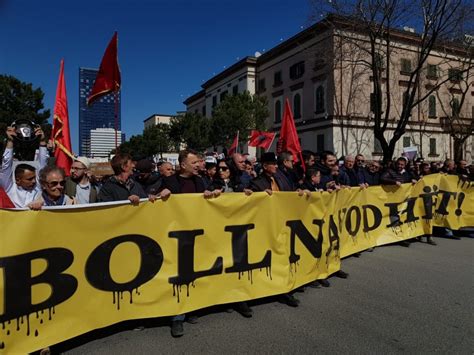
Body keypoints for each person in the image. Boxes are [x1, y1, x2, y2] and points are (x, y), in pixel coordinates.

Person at [157, 149, 221, 338]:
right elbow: (151, 197)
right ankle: (177, 317)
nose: (199, 165)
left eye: (199, 163)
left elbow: (205, 200)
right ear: (183, 164)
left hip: (196, 235)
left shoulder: (200, 181)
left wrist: (211, 195)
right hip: (175, 237)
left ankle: (191, 307)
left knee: (193, 273)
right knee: (178, 276)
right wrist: (159, 194)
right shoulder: (169, 181)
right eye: (195, 163)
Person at [250, 152, 310, 307]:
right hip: (266, 228)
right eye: (273, 164)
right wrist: (260, 196)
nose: (277, 166)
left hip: (283, 224)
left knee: (284, 257)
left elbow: (289, 193)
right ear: (264, 166)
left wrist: (298, 192)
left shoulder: (281, 178)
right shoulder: (256, 183)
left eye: (277, 163)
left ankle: (285, 290)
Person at [0, 126, 48, 208]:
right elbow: (6, 166)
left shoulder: (38, 188)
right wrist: (10, 141)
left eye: (34, 178)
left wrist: (42, 141)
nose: (34, 181)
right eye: (29, 179)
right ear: (18, 180)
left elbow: (43, 164)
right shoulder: (9, 188)